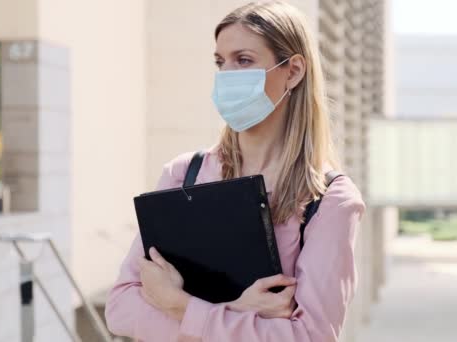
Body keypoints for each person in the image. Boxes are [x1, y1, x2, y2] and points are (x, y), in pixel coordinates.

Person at [104, 1, 366, 341]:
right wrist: (239, 311)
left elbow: (310, 336)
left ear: (294, 71)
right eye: (219, 62)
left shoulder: (330, 200)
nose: (226, 75)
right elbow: (120, 308)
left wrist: (178, 304)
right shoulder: (185, 174)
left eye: (243, 60)